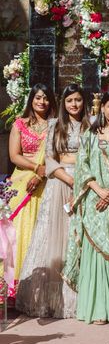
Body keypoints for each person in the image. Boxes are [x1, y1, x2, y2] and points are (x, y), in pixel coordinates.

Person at [16, 84, 90, 318]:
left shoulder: (91, 126)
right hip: (60, 182)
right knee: (55, 237)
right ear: (64, 104)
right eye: (70, 101)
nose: (74, 105)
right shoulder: (54, 125)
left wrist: (82, 180)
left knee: (79, 238)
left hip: (85, 182)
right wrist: (67, 178)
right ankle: (50, 298)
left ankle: (81, 296)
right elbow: (49, 158)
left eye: (78, 100)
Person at [62, 88, 109, 324]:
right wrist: (98, 188)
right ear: (102, 108)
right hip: (95, 199)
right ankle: (99, 308)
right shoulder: (90, 135)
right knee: (97, 250)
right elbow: (83, 167)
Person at [8, 83, 57, 296]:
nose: (42, 102)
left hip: (46, 182)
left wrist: (40, 175)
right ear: (31, 100)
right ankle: (12, 287)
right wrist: (36, 168)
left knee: (40, 231)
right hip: (21, 183)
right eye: (38, 97)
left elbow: (57, 154)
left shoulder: (55, 125)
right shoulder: (20, 124)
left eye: (46, 98)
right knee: (17, 232)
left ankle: (36, 292)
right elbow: (14, 155)